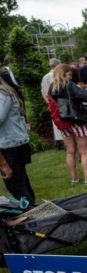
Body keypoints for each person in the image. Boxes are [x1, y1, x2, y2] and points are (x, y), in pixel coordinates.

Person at [49, 64, 87, 184]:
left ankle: (74, 179)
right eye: (69, 74)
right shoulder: (70, 85)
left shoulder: (52, 87)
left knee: (70, 151)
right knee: (84, 151)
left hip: (63, 122)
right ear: (64, 74)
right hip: (77, 121)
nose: (71, 77)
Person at [0, 73, 34, 206]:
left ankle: (37, 219)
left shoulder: (3, 94)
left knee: (18, 189)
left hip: (11, 146)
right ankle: (39, 217)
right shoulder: (5, 93)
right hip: (13, 144)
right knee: (22, 185)